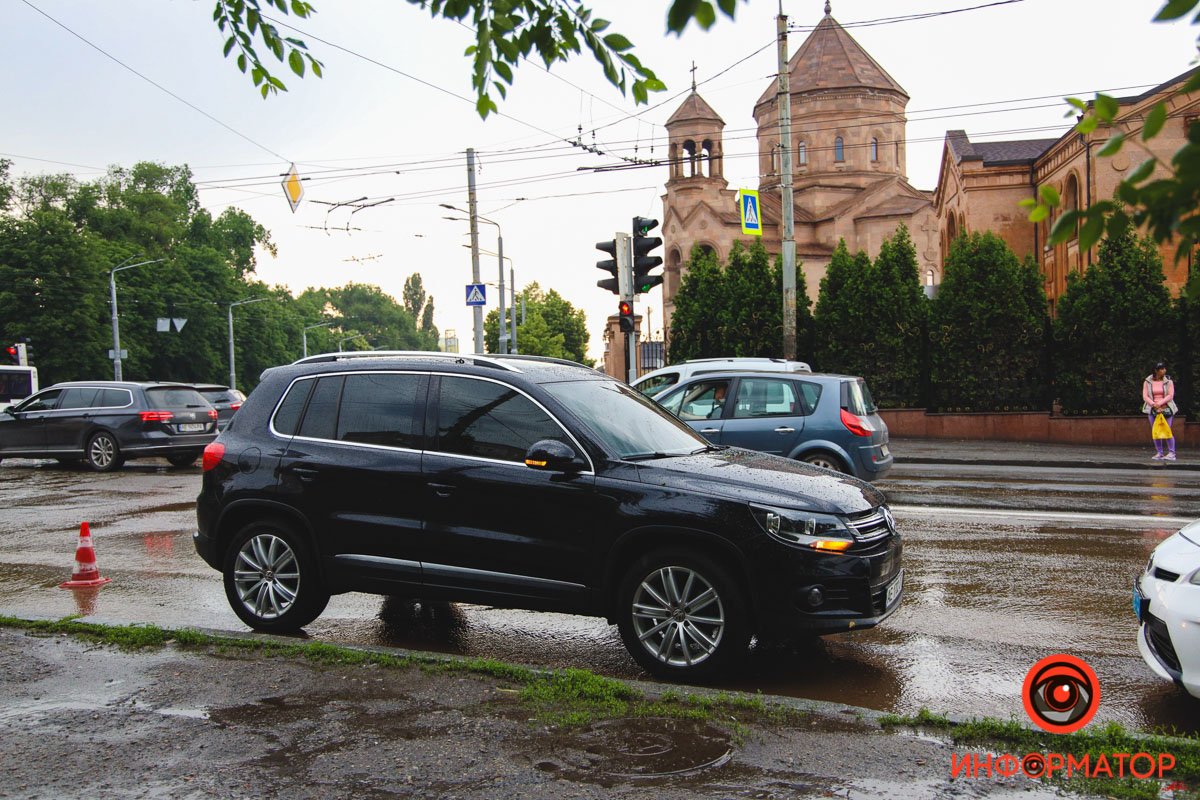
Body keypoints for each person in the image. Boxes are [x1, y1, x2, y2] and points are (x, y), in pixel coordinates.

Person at [1142, 362, 1178, 461]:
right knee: (1156, 431)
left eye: (1164, 368)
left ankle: (1172, 453)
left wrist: (1160, 403)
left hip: (1166, 408)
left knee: (1167, 430)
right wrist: (1154, 405)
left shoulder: (1168, 381)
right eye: (1161, 369)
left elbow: (1170, 395)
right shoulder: (1147, 381)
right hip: (1152, 409)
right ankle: (1160, 453)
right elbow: (1145, 396)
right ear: (1156, 371)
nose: (1164, 370)